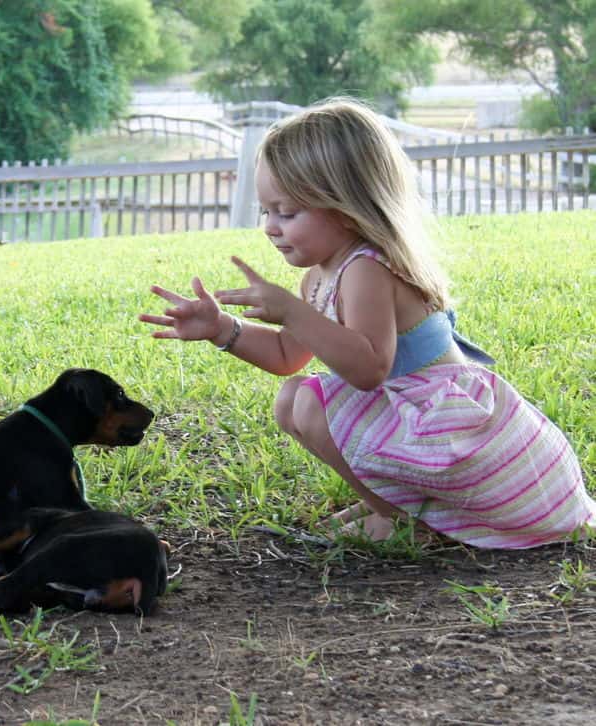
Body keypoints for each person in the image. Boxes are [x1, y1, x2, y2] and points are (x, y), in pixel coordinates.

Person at [139, 97, 596, 549]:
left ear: (344, 206)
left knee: (311, 404)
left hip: (452, 429)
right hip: (415, 419)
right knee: (291, 398)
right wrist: (223, 330)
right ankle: (395, 505)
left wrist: (294, 311)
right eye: (266, 210)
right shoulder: (321, 277)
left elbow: (369, 369)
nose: (270, 227)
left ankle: (404, 520)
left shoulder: (367, 269)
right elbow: (286, 355)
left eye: (287, 212)